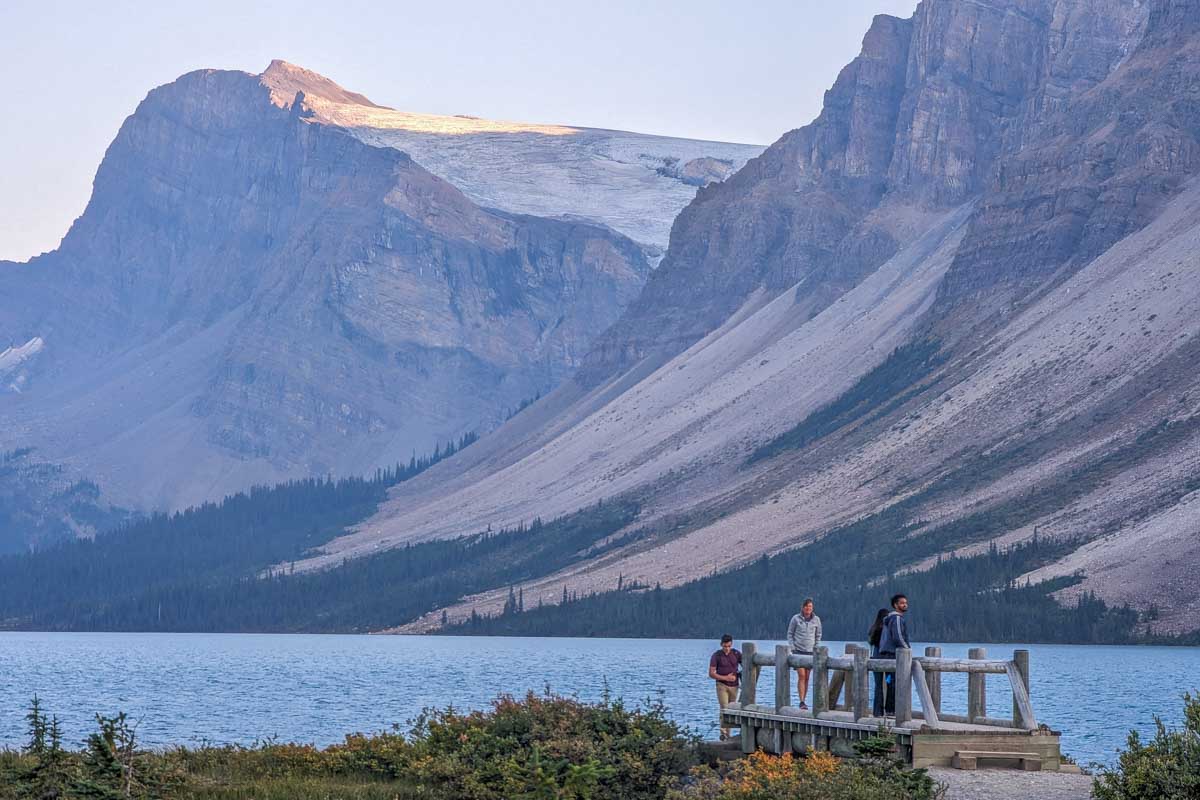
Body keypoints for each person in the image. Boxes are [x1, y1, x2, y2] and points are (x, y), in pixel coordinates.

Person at [877, 593, 910, 715]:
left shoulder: (891, 618)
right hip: (892, 655)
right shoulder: (896, 618)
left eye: (905, 603)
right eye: (902, 603)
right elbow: (898, 637)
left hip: (887, 654)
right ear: (895, 605)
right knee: (893, 683)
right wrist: (907, 649)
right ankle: (891, 710)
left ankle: (888, 710)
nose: (905, 605)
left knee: (890, 682)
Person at [787, 598, 822, 711]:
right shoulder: (796, 619)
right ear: (803, 607)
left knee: (807, 677)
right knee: (801, 675)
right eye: (806, 606)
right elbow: (790, 634)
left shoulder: (816, 620)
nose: (808, 609)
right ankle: (801, 701)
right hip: (798, 652)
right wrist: (793, 647)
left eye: (810, 607)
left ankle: (804, 702)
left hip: (811, 652)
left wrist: (816, 647)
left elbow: (818, 634)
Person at [709, 634, 742, 740]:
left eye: (728, 646)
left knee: (732, 709)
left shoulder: (736, 654)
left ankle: (728, 733)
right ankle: (723, 733)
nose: (727, 649)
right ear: (721, 645)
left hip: (735, 685)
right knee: (724, 707)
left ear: (731, 644)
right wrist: (725, 678)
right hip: (721, 684)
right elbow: (711, 673)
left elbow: (746, 664)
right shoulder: (716, 655)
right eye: (724, 646)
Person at [867, 608, 890, 717]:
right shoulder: (886, 629)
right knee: (890, 683)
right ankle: (889, 709)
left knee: (878, 686)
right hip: (887, 660)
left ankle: (877, 711)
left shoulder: (874, 628)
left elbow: (871, 642)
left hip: (876, 659)